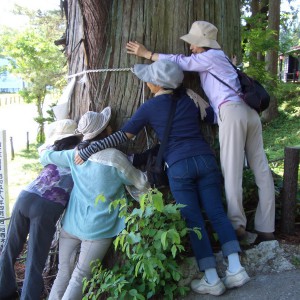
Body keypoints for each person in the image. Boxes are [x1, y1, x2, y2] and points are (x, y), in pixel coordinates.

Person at [74, 60, 250, 296]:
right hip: (206, 159)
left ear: (157, 83)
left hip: (179, 165)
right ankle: (236, 269)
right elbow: (210, 116)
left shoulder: (149, 107)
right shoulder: (189, 98)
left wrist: (88, 150)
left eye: (148, 78)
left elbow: (122, 136)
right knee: (217, 213)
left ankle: (211, 279)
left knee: (193, 221)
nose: (146, 82)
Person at [125, 20, 275, 242]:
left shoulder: (208, 58)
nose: (191, 48)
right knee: (261, 168)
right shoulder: (221, 57)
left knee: (232, 171)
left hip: (232, 113)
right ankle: (267, 227)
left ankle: (237, 226)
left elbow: (179, 62)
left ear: (203, 45)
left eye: (194, 44)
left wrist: (148, 54)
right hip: (250, 113)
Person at [39, 108, 149, 300]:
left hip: (71, 224)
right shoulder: (114, 158)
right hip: (98, 228)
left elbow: (44, 156)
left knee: (63, 273)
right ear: (106, 131)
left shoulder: (74, 155)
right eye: (109, 126)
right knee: (80, 276)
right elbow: (141, 182)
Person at [0, 119, 82, 300]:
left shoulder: (52, 150)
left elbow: (41, 151)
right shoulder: (81, 154)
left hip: (25, 196)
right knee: (35, 261)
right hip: (47, 206)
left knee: (9, 249)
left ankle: (3, 290)